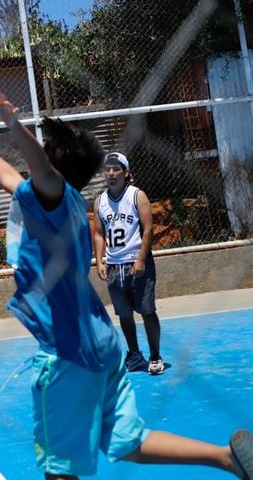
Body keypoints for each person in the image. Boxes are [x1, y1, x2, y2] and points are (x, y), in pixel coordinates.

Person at [0, 83, 253, 479]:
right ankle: (226, 458)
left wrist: (13, 125)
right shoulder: (61, 201)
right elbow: (12, 177)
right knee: (130, 443)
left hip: (68, 354)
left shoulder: (55, 200)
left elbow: (41, 169)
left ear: (53, 168)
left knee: (60, 469)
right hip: (102, 345)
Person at [92, 152, 165, 375]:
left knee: (147, 310)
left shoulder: (137, 196)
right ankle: (134, 354)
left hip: (137, 263)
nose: (111, 173)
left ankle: (155, 356)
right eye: (107, 169)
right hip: (114, 265)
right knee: (124, 314)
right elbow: (98, 233)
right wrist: (99, 261)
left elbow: (148, 229)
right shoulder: (100, 201)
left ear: (126, 173)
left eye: (116, 168)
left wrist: (141, 259)